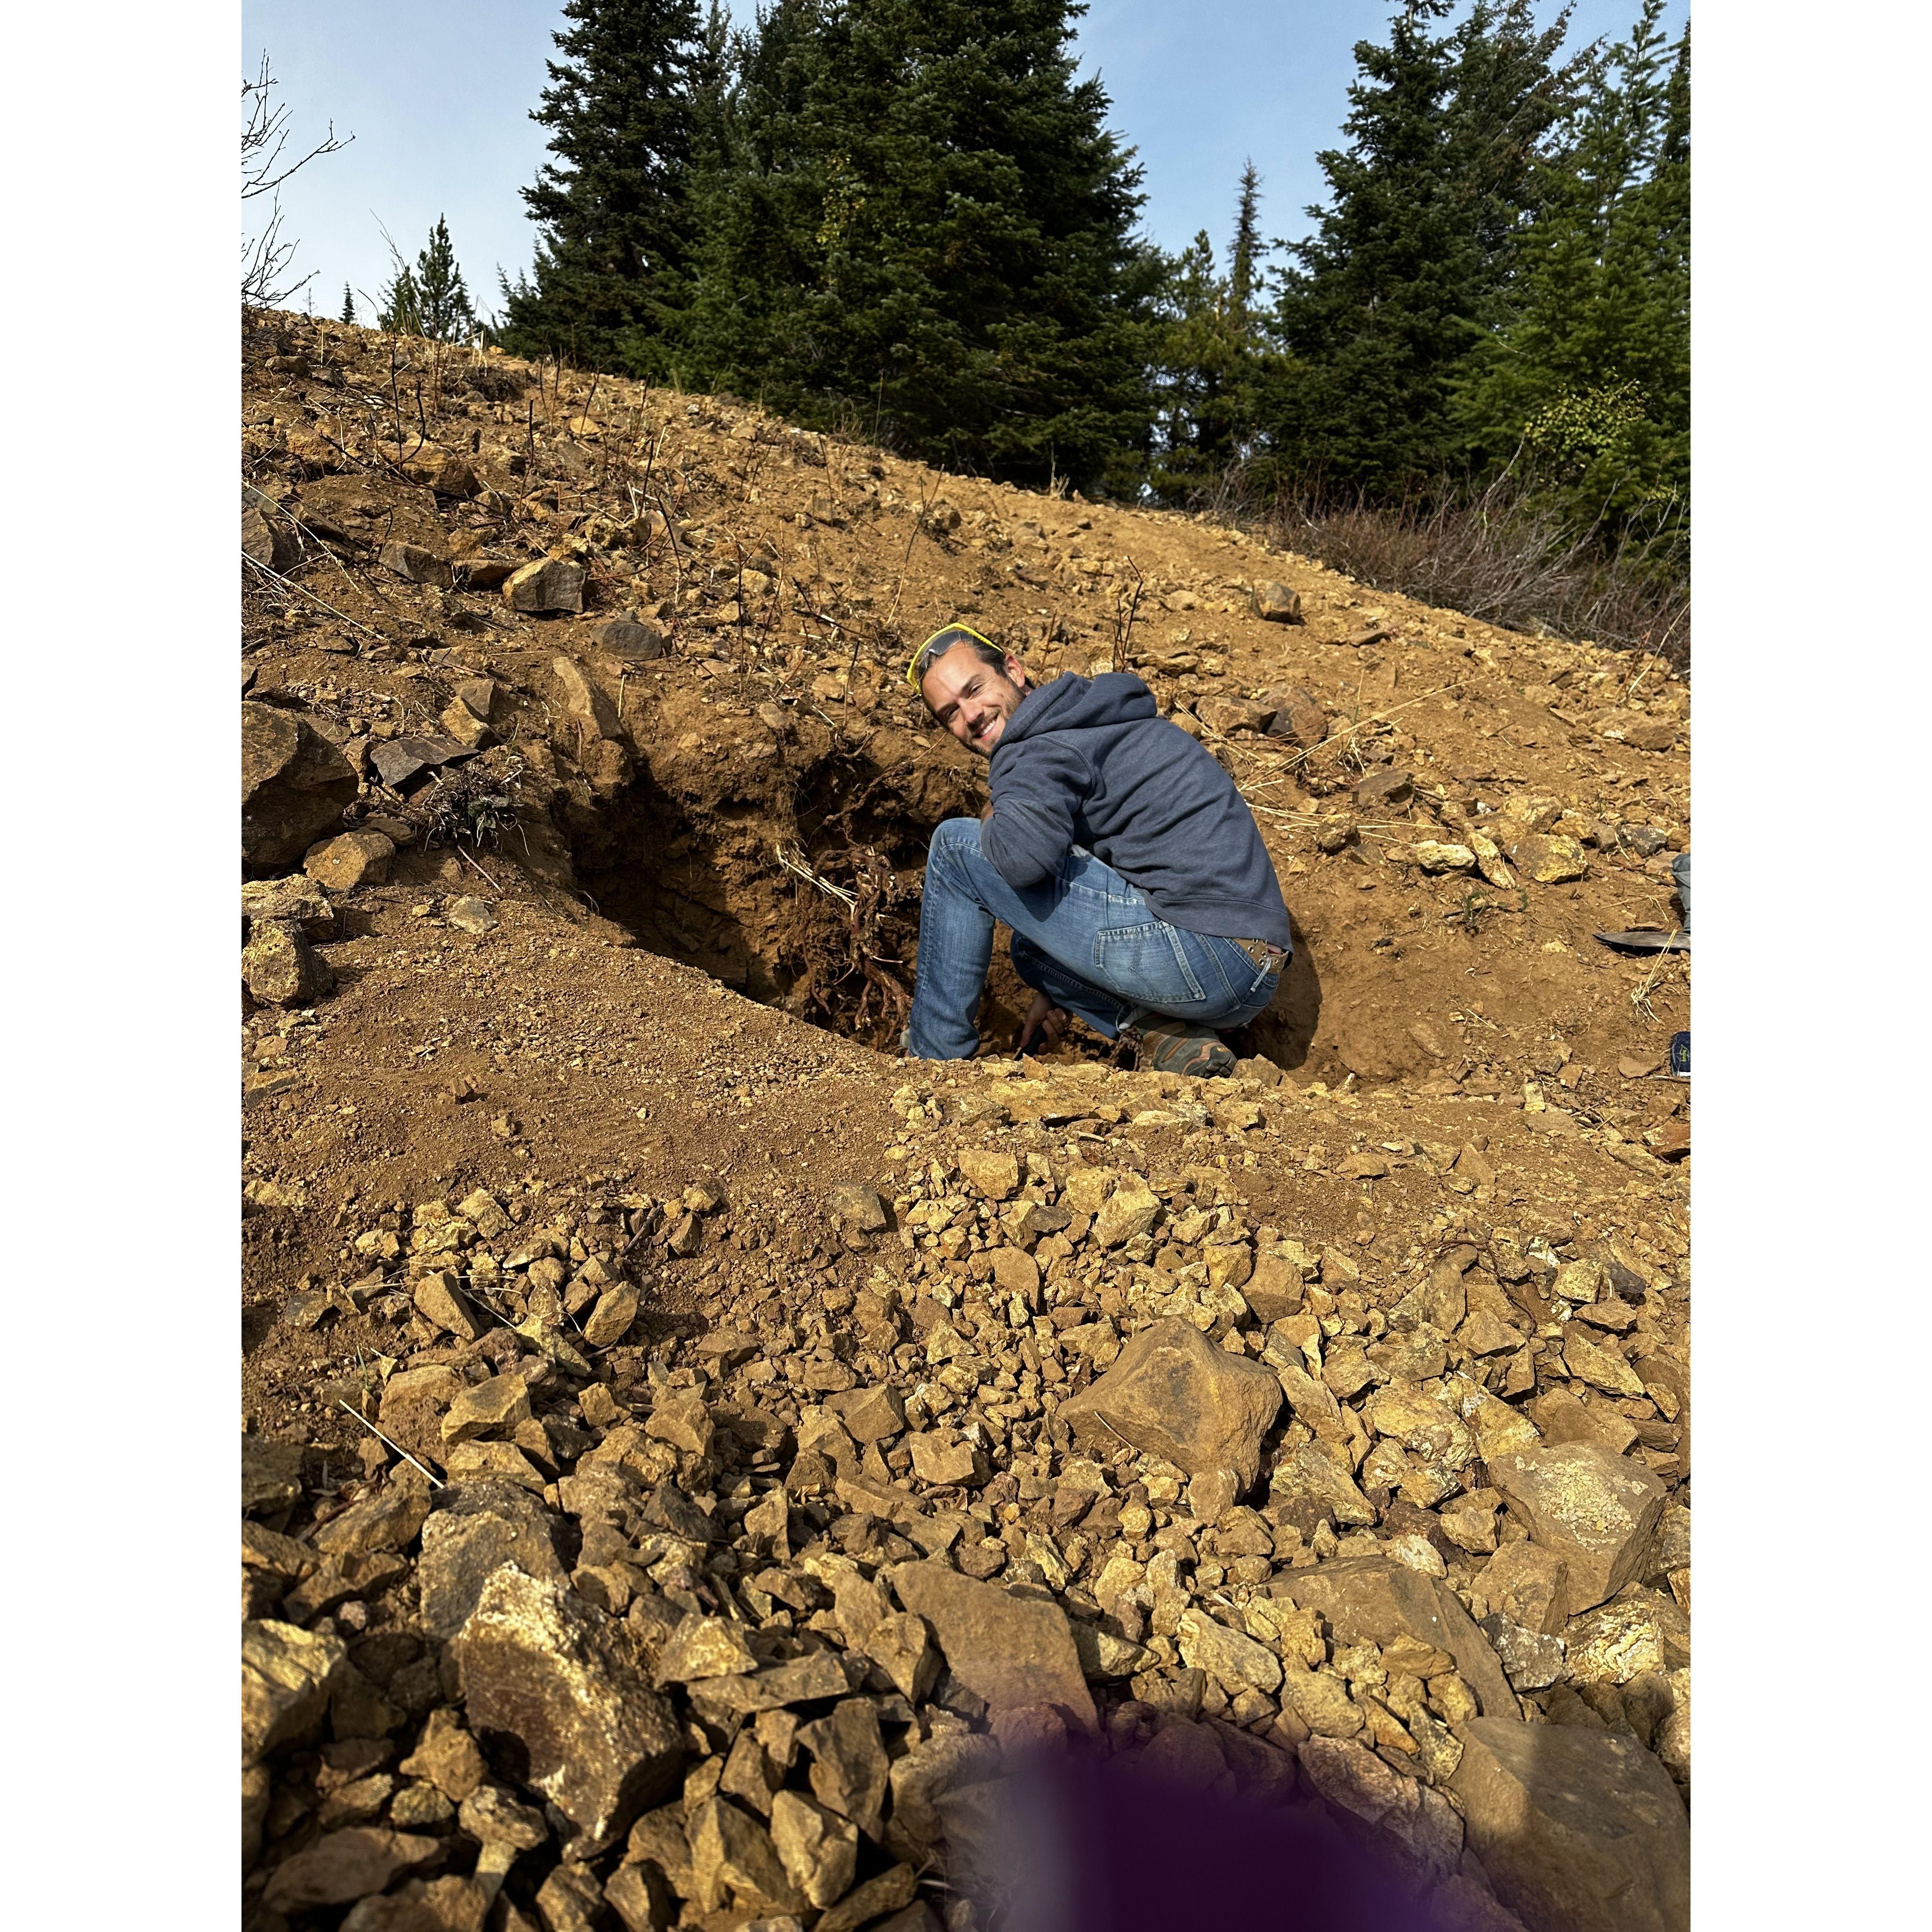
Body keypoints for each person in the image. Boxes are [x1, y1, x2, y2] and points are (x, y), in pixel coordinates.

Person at [902, 621, 1292, 1076]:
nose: (970, 715)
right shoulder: (1094, 717)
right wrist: (1061, 987)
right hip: (1251, 974)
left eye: (975, 689)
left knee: (954, 848)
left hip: (1207, 957)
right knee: (1034, 954)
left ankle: (931, 1063)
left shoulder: (1034, 747)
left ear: (1013, 669)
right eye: (950, 712)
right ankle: (1168, 1037)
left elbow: (1020, 861)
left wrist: (995, 808)